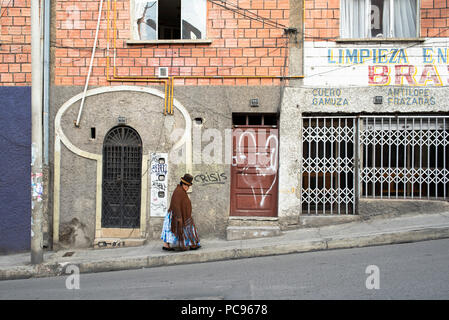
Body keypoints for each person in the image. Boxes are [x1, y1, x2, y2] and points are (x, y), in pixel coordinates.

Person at [161, 174, 201, 251]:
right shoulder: (179, 192)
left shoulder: (181, 191)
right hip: (176, 215)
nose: (187, 187)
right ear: (182, 184)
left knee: (172, 230)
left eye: (188, 185)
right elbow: (176, 205)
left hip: (179, 215)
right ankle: (192, 244)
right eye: (185, 185)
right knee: (179, 229)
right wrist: (179, 217)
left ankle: (167, 245)